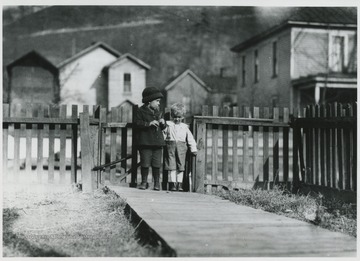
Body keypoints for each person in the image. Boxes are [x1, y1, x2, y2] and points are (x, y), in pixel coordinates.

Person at [134, 87, 166, 191]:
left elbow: (163, 128)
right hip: (145, 142)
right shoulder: (140, 111)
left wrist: (163, 124)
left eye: (159, 101)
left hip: (157, 143)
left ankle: (157, 183)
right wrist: (148, 124)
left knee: (157, 164)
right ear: (149, 101)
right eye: (157, 101)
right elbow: (137, 123)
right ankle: (144, 182)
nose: (158, 103)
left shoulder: (158, 112)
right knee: (145, 163)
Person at [163, 103, 197, 192]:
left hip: (181, 148)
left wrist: (193, 149)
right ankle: (172, 184)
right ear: (172, 116)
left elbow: (190, 139)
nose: (177, 119)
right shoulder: (168, 125)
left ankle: (180, 184)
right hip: (170, 147)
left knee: (180, 166)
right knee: (172, 166)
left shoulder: (185, 127)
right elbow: (163, 135)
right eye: (175, 117)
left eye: (179, 117)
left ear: (182, 117)